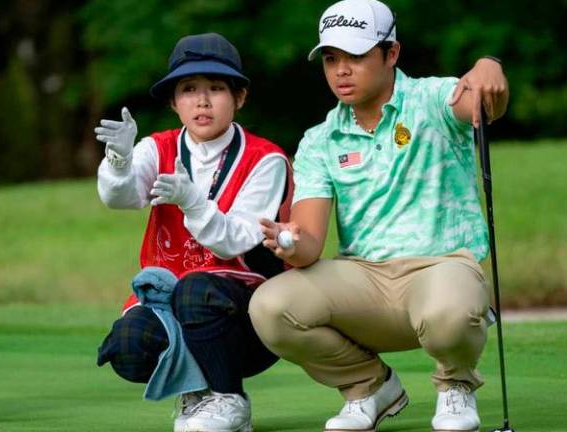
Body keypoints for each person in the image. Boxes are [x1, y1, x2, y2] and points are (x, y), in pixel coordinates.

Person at [249, 0, 509, 431]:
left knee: (448, 312)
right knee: (270, 306)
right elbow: (310, 243)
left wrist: (488, 66)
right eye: (331, 59)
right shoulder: (319, 140)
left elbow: (481, 104)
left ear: (391, 54)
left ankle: (455, 386)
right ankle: (369, 387)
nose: (341, 71)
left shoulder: (432, 98)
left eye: (355, 56)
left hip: (441, 267)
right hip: (364, 280)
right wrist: (288, 242)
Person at [94, 32, 292, 432]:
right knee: (129, 346)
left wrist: (192, 200)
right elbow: (122, 197)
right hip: (175, 304)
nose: (202, 101)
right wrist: (118, 160)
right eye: (189, 89)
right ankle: (198, 394)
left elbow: (236, 238)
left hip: (249, 314)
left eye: (216, 88)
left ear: (240, 97)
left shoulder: (266, 159)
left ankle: (229, 399)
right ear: (173, 101)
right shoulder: (157, 147)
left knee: (197, 290)